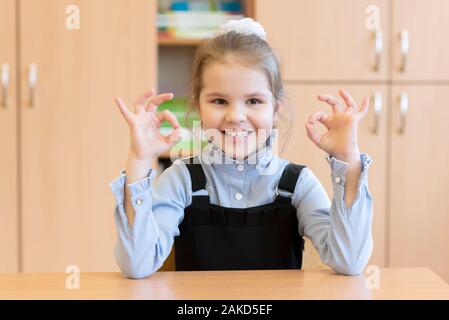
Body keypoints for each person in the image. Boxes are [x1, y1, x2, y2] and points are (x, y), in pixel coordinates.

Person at [109, 18, 373, 279]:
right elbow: (137, 264)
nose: (236, 115)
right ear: (199, 106)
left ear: (275, 109)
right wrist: (140, 159)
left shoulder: (297, 184)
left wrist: (348, 159)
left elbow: (349, 262)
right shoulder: (181, 180)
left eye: (254, 100)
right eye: (220, 100)